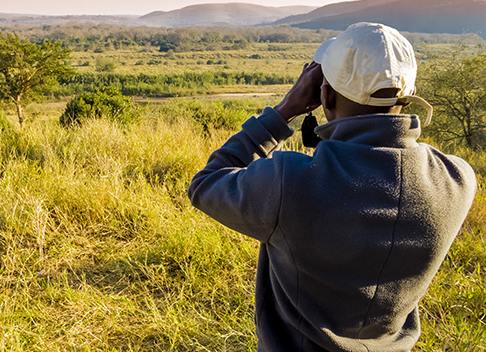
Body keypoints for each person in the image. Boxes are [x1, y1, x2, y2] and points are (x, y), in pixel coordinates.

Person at [187, 22, 477, 351]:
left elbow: (206, 183)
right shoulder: (457, 179)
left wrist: (284, 111)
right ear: (407, 96)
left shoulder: (291, 182)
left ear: (325, 94)